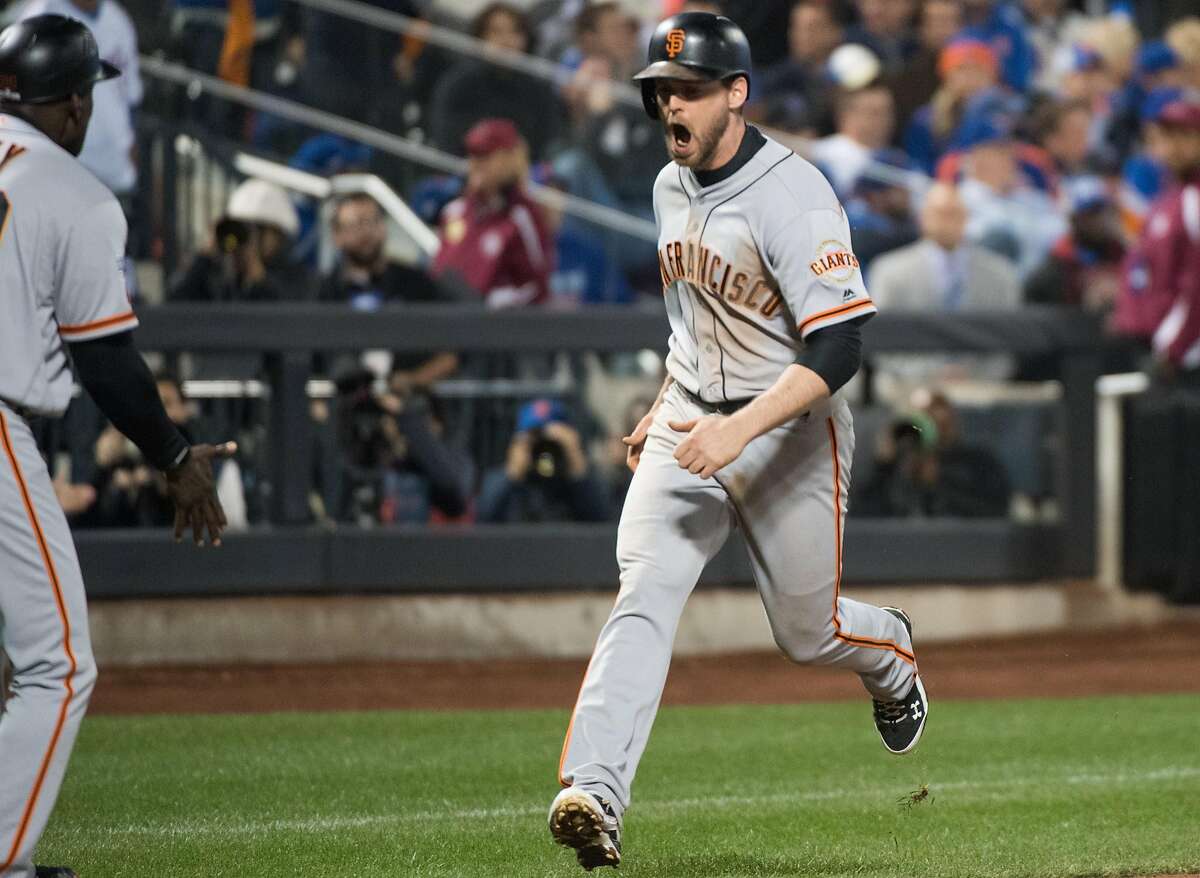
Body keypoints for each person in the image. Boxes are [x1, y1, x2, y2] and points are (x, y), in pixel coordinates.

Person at [548, 14, 927, 872]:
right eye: (660, 91)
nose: (669, 104)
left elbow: (839, 349)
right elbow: (695, 317)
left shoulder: (794, 194)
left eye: (687, 90)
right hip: (694, 418)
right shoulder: (668, 186)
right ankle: (594, 794)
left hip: (788, 427)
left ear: (736, 94)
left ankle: (893, 657)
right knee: (643, 593)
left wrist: (738, 430)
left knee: (807, 632)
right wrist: (666, 402)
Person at [0, 16, 234, 878]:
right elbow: (105, 359)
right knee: (58, 665)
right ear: (72, 104)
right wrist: (176, 459)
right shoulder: (74, 191)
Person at [16, 0, 142, 204]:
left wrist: (130, 149)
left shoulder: (118, 20)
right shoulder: (41, 16)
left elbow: (132, 98)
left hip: (116, 174)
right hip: (64, 175)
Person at [432, 118, 553, 309]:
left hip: (497, 329)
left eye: (485, 156)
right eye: (472, 155)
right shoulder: (454, 212)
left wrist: (493, 304)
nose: (476, 164)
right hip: (448, 322)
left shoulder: (521, 217)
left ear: (509, 158)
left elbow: (537, 285)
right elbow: (438, 270)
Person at [427, 3, 563, 161]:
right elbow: (447, 138)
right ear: (480, 38)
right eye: (496, 32)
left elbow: (548, 141)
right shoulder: (459, 84)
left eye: (515, 32)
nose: (506, 40)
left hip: (525, 176)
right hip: (470, 172)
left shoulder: (539, 89)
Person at [854, 391, 1011, 518]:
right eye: (923, 420)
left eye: (942, 423)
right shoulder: (895, 463)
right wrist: (884, 467)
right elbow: (862, 520)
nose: (931, 429)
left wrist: (938, 482)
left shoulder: (978, 463)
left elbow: (995, 514)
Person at [168, 177, 311, 302]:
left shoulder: (296, 277)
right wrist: (206, 255)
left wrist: (256, 275)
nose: (248, 237)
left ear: (280, 235)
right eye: (242, 227)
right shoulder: (217, 274)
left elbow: (288, 318)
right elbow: (174, 302)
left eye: (259, 229)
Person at [476, 399, 611, 524]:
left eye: (551, 442)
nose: (544, 450)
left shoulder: (578, 480)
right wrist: (511, 474)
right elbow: (482, 520)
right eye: (535, 439)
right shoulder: (507, 482)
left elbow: (601, 519)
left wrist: (577, 465)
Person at [747, 0, 844, 135]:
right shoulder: (777, 78)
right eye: (796, 27)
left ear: (835, 32)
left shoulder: (846, 74)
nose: (800, 36)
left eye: (812, 28)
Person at [809, 81, 897, 199]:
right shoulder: (825, 152)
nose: (884, 120)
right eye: (874, 113)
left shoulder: (898, 159)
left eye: (888, 112)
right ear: (848, 114)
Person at [846, 148, 921, 272]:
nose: (906, 194)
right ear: (877, 196)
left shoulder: (900, 219)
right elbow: (893, 238)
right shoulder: (858, 220)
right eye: (899, 189)